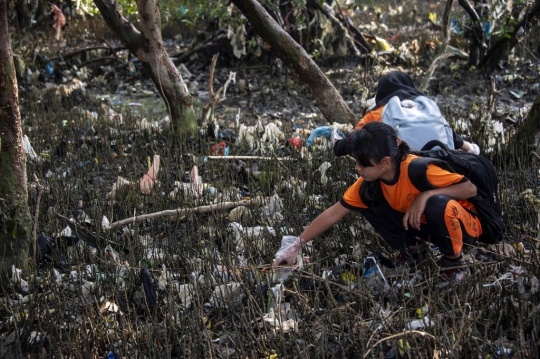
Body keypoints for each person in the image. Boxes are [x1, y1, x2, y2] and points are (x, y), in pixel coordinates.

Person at [274, 122, 482, 288]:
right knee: (367, 200)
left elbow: (469, 189)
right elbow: (333, 213)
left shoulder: (417, 169)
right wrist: (296, 245)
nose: (357, 168)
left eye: (363, 163)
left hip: (463, 225)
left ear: (384, 161)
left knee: (437, 203)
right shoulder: (370, 183)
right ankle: (413, 251)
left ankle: (453, 263)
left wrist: (426, 195)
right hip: (425, 226)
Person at [325, 71, 480, 156]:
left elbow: (350, 142)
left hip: (406, 172)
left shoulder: (380, 111)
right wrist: (472, 149)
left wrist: (336, 140)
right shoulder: (428, 105)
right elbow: (449, 134)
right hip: (444, 165)